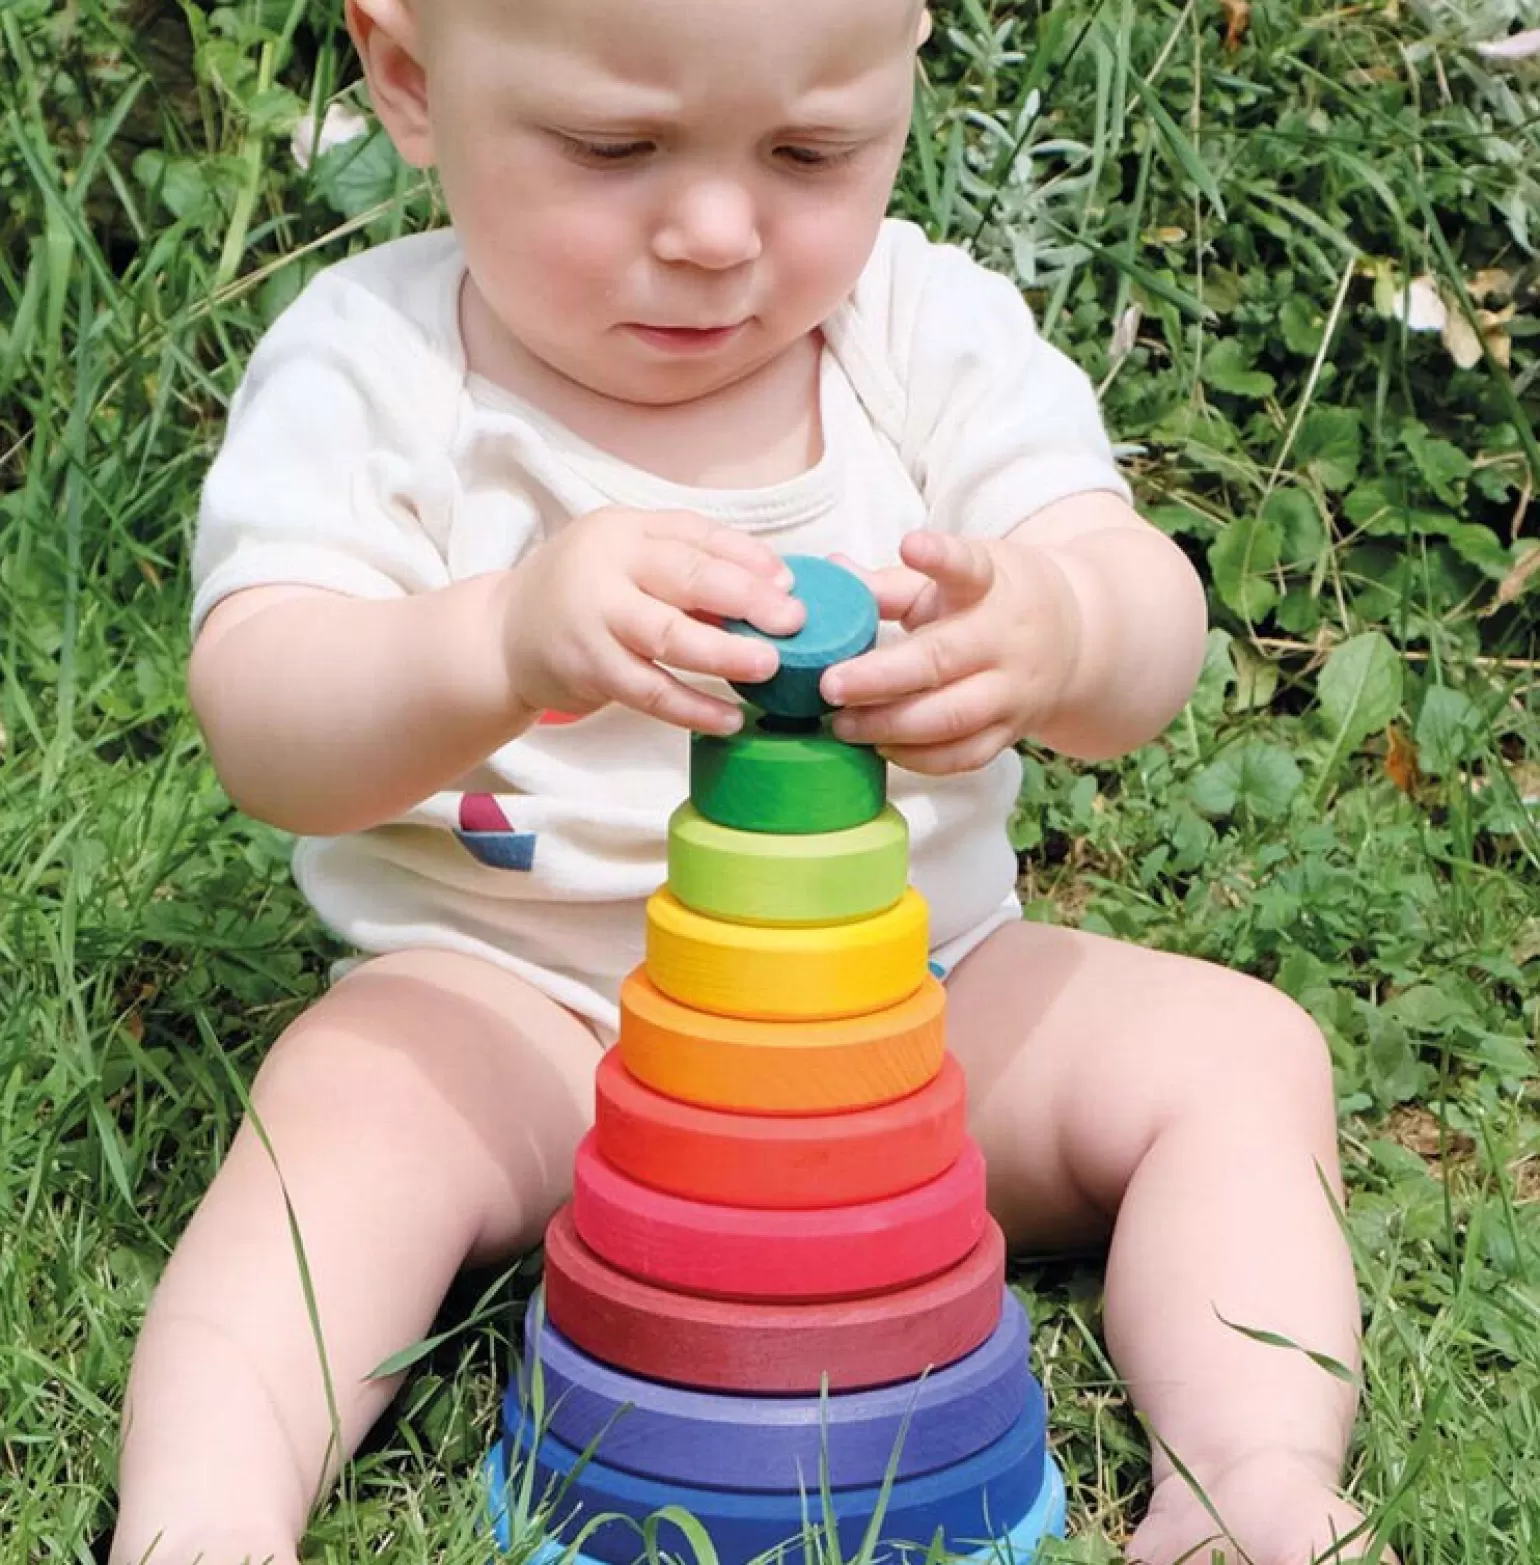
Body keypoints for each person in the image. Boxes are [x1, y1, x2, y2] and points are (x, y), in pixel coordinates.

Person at [110, 2, 1391, 1563]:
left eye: (810, 150)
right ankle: (202, 1526)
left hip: (909, 1016)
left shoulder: (921, 329)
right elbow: (266, 720)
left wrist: (1056, 627)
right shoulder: (373, 364)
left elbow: (1143, 623)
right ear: (408, 77)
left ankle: (1250, 1477)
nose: (718, 232)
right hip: (522, 1016)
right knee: (335, 1128)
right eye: (614, 146)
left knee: (1240, 1054)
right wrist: (497, 642)